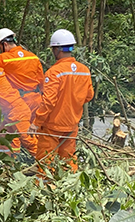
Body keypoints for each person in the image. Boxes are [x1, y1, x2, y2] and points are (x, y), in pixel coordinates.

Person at [28, 29, 94, 171]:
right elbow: (89, 96)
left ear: (57, 49)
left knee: (46, 162)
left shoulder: (54, 72)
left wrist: (36, 122)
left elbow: (49, 101)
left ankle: (45, 187)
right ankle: (69, 187)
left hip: (52, 126)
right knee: (68, 160)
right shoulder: (84, 70)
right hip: (72, 124)